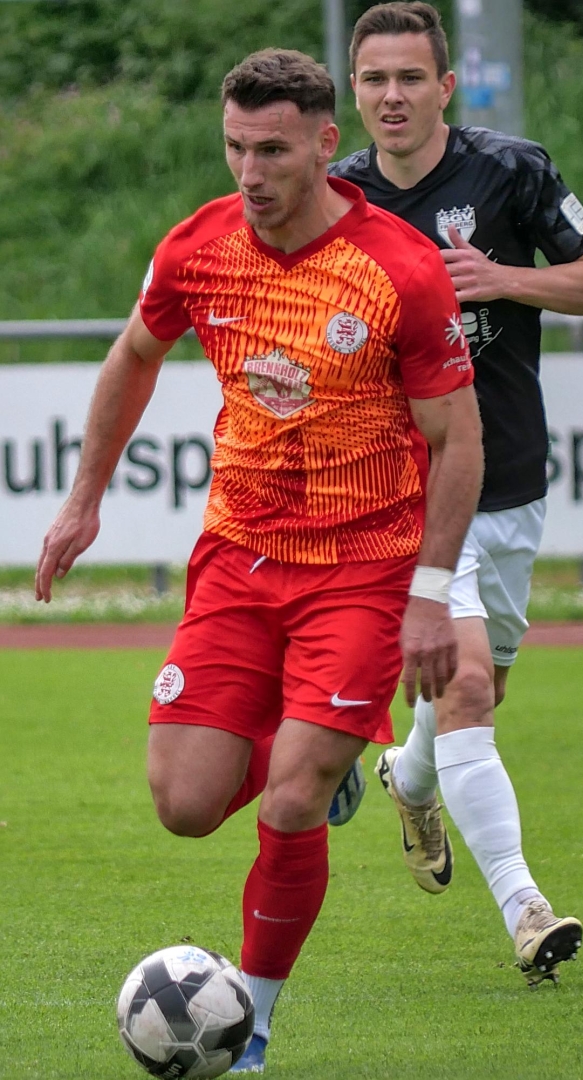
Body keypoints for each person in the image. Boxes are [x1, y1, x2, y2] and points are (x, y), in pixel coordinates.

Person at [35, 48, 483, 1072]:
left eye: (272, 150)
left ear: (325, 144)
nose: (250, 171)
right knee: (185, 806)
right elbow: (134, 354)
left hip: (363, 568)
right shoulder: (199, 246)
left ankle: (254, 1025)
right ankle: (323, 760)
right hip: (238, 555)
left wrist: (427, 594)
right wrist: (83, 499)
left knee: (286, 803)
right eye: (235, 147)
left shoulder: (398, 268)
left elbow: (456, 439)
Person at [329, 1, 583, 989]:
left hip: (510, 477)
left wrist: (499, 278)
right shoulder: (336, 201)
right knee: (460, 687)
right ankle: (525, 911)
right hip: (404, 489)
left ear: (444, 86)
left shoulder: (510, 171)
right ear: (354, 90)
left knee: (478, 689)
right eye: (375, 79)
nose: (392, 96)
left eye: (410, 77)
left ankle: (408, 778)